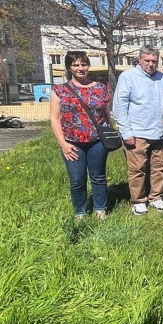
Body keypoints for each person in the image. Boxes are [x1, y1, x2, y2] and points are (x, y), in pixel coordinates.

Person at [113, 45, 163, 215]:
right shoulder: (128, 77)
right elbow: (119, 106)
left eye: (154, 61)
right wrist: (126, 132)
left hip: (159, 132)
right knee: (137, 169)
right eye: (147, 60)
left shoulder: (162, 78)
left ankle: (156, 197)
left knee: (159, 167)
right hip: (137, 132)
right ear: (139, 59)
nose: (150, 64)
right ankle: (138, 200)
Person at [50, 51, 111, 221]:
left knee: (98, 177)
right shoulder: (60, 90)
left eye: (84, 64)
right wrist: (63, 144)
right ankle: (80, 212)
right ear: (69, 67)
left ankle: (100, 208)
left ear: (88, 66)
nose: (81, 68)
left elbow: (106, 115)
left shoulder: (100, 88)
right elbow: (54, 119)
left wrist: (109, 134)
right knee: (77, 180)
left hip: (97, 142)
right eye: (76, 65)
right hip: (72, 143)